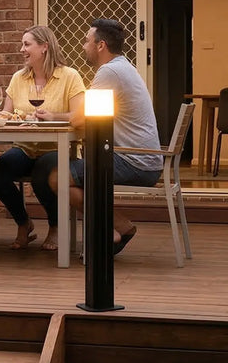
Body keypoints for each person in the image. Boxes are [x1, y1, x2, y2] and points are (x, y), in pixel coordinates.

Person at [50, 18, 162, 254]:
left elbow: (80, 118)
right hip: (142, 159)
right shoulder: (122, 67)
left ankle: (117, 226)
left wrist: (61, 117)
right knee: (70, 172)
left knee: (57, 177)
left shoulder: (110, 71)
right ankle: (112, 228)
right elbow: (84, 115)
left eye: (86, 41)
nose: (83, 46)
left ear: (100, 45)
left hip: (136, 162)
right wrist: (53, 116)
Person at [0, 25, 85, 252]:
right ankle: (24, 223)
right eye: (22, 44)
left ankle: (55, 226)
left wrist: (53, 117)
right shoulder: (18, 78)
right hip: (25, 146)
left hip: (58, 148)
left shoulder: (69, 76)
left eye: (27, 44)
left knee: (43, 173)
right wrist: (8, 117)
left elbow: (79, 116)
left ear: (44, 47)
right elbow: (6, 113)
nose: (22, 49)